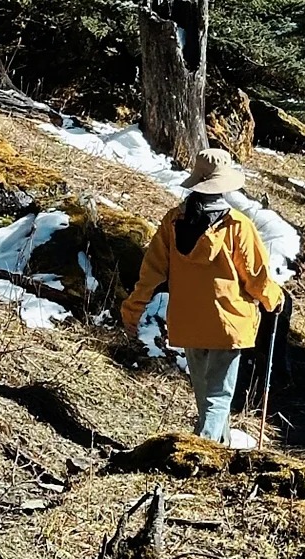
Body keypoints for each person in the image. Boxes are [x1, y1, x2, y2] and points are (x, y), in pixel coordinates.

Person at [121, 146, 284, 444]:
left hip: (188, 322)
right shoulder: (237, 226)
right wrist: (274, 300)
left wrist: (132, 309)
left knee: (206, 398)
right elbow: (257, 278)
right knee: (219, 396)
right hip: (228, 323)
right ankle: (197, 451)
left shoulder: (173, 221)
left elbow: (151, 272)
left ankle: (217, 454)